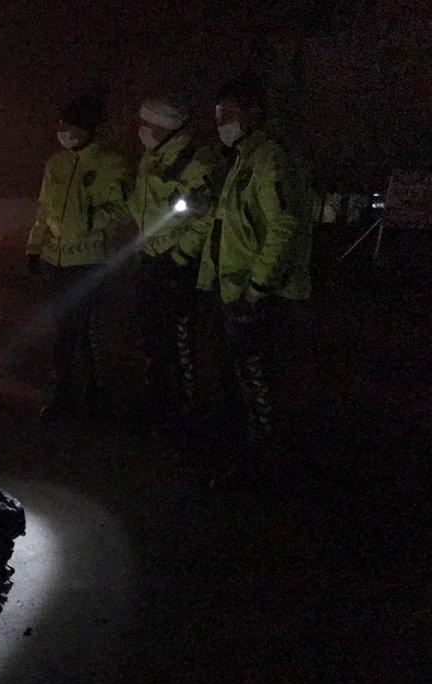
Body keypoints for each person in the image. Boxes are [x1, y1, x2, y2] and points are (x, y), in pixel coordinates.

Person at [197, 74, 313, 485]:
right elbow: (233, 226)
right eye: (217, 115)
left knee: (259, 386)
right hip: (237, 292)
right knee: (242, 382)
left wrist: (257, 288)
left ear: (254, 113)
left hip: (259, 297)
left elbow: (285, 224)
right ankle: (249, 460)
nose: (220, 122)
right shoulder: (245, 159)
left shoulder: (268, 160)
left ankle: (268, 469)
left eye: (228, 114)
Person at [26, 93, 131, 421]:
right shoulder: (55, 163)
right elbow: (45, 210)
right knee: (62, 333)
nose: (64, 131)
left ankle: (96, 395)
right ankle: (63, 394)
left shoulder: (111, 164)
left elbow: (120, 211)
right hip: (55, 262)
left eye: (70, 125)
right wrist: (34, 246)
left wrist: (86, 220)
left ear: (88, 127)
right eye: (61, 125)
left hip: (89, 262)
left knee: (87, 332)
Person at [128, 98, 227, 429]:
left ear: (166, 128)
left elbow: (206, 214)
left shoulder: (193, 162)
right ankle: (158, 402)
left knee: (180, 339)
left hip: (176, 263)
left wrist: (182, 254)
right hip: (150, 257)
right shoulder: (152, 158)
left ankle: (187, 409)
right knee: (152, 336)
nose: (143, 131)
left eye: (150, 126)